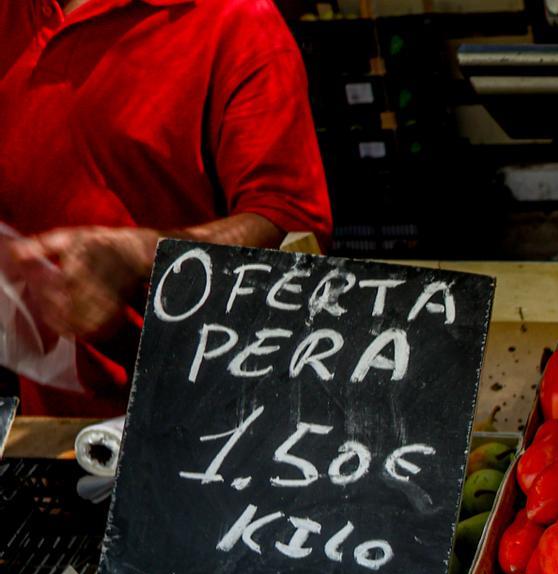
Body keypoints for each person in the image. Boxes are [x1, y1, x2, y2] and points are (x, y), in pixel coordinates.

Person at [0, 0, 333, 417]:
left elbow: (289, 223)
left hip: (205, 425)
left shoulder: (235, 19)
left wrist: (141, 254)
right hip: (43, 430)